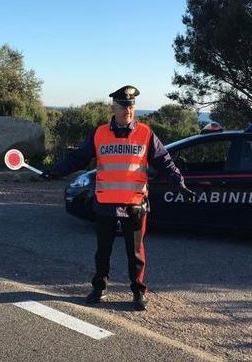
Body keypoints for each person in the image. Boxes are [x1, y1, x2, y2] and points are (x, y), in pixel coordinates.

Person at [42, 86, 196, 311]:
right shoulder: (99, 133)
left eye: (132, 106)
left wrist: (178, 181)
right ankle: (99, 288)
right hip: (105, 202)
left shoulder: (145, 133)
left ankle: (138, 291)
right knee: (103, 250)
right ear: (113, 107)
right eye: (124, 106)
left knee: (135, 252)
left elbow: (164, 160)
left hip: (135, 203)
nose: (128, 110)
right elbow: (78, 158)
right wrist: (56, 171)